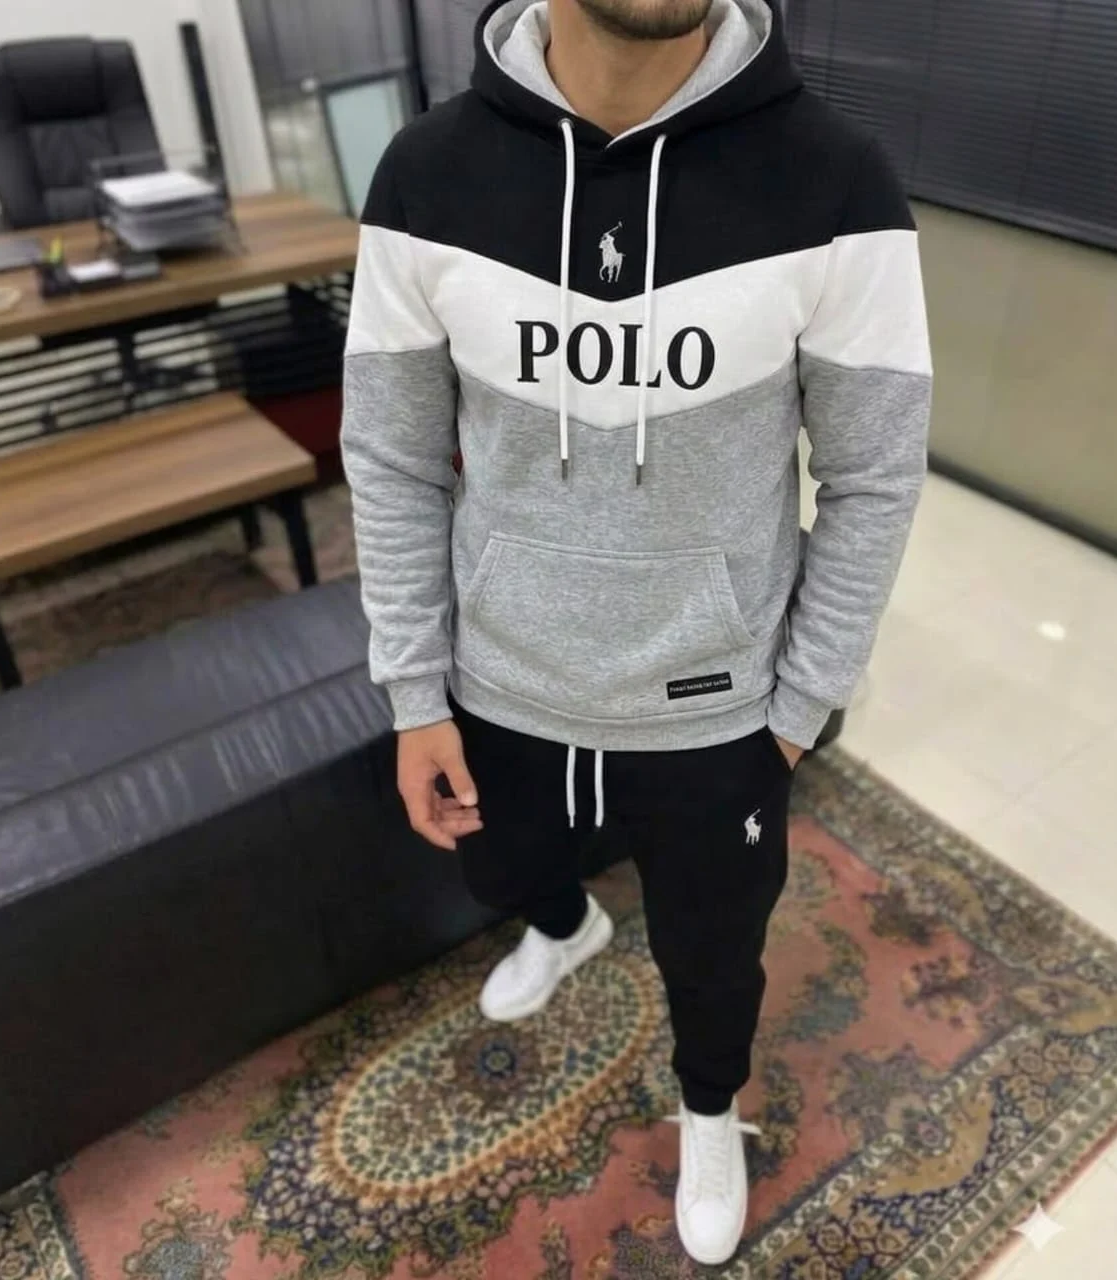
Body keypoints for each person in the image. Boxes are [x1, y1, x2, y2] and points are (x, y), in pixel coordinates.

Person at [341, 0, 931, 1264]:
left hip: (719, 705)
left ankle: (708, 1108)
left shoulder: (838, 183)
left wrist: (797, 708)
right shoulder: (424, 176)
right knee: (498, 871)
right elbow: (391, 455)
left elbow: (874, 473)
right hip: (497, 677)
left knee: (714, 957)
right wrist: (415, 690)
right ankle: (564, 925)